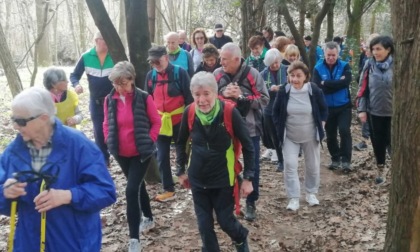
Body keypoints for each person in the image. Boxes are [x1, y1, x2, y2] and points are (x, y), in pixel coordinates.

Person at [0, 87, 116, 251]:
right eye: (13, 119)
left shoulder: (79, 145)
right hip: (29, 243)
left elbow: (106, 191)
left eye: (20, 121)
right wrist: (5, 192)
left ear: (43, 118)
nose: (15, 126)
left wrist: (68, 195)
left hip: (73, 243)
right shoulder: (14, 151)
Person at [176, 72, 254, 252]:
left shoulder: (229, 112)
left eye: (206, 94)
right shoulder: (190, 112)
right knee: (204, 226)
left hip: (223, 179)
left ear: (215, 92)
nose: (201, 99)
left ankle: (240, 238)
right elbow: (180, 142)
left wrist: (248, 178)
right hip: (197, 179)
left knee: (226, 221)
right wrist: (180, 169)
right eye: (197, 94)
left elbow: (249, 146)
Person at [103, 61, 161, 251]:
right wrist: (108, 141)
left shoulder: (144, 98)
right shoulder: (109, 99)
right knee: (137, 186)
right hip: (121, 152)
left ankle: (134, 239)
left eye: (123, 83)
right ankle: (149, 218)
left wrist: (149, 140)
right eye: (116, 84)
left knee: (130, 189)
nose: (119, 88)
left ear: (131, 80)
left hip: (140, 152)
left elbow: (156, 122)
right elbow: (106, 123)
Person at [214, 42, 269, 221]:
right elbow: (207, 99)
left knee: (252, 166)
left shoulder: (252, 74)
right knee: (224, 165)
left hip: (250, 128)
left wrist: (241, 97)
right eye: (220, 58)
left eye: (225, 60)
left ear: (237, 59)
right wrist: (223, 95)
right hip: (223, 129)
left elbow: (264, 99)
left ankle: (251, 202)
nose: (221, 62)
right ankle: (228, 200)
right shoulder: (216, 74)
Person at [272, 61, 328, 211]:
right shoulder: (284, 91)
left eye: (298, 76)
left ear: (306, 77)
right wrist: (279, 127)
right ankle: (294, 198)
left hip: (310, 134)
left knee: (312, 166)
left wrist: (322, 123)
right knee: (290, 165)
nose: (295, 79)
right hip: (289, 135)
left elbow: (324, 109)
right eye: (292, 75)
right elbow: (275, 112)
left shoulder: (313, 90)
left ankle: (311, 193)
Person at [145, 46, 193, 202]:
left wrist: (189, 121)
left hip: (179, 120)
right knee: (162, 154)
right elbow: (148, 101)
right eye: (152, 62)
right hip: (160, 121)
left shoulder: (180, 73)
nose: (155, 64)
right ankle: (168, 189)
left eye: (157, 61)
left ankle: (184, 176)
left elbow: (189, 99)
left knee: (181, 151)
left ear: (165, 57)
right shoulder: (151, 76)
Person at [70, 31, 113, 165]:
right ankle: (103, 157)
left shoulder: (114, 55)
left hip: (113, 100)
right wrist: (77, 85)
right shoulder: (86, 56)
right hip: (95, 101)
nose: (106, 44)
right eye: (104, 41)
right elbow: (74, 75)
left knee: (113, 128)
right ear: (96, 41)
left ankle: (116, 152)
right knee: (98, 130)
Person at [357, 35, 394, 185]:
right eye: (373, 49)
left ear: (388, 49)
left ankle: (397, 170)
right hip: (375, 112)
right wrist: (362, 110)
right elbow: (362, 89)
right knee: (378, 142)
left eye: (379, 49)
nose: (375, 52)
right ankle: (381, 170)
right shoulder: (369, 65)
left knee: (393, 142)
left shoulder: (398, 64)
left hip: (395, 113)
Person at [312, 41, 353, 172]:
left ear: (338, 54)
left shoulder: (345, 66)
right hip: (327, 107)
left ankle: (346, 161)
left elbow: (346, 82)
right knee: (330, 134)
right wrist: (336, 83)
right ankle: (335, 158)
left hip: (344, 105)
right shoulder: (318, 68)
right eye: (328, 55)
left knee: (344, 130)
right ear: (324, 54)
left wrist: (327, 83)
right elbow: (318, 87)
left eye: (333, 55)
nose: (331, 58)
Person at [259, 48, 284, 172]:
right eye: (272, 63)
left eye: (277, 62)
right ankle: (280, 160)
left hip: (284, 106)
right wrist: (270, 89)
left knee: (284, 134)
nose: (275, 65)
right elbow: (259, 91)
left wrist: (282, 87)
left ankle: (288, 158)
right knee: (274, 135)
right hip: (269, 108)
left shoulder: (286, 70)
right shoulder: (263, 74)